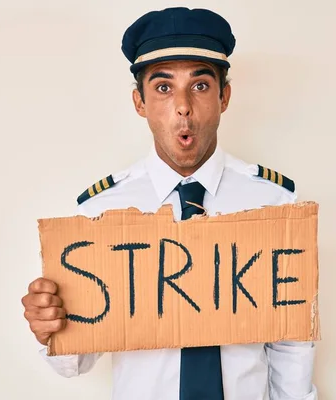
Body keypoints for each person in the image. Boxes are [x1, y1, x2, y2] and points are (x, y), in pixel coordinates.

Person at [21, 7, 318, 400]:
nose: (183, 106)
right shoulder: (100, 212)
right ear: (139, 102)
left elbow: (291, 348)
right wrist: (49, 327)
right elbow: (75, 361)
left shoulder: (275, 202)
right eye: (163, 87)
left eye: (199, 86)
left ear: (224, 96)